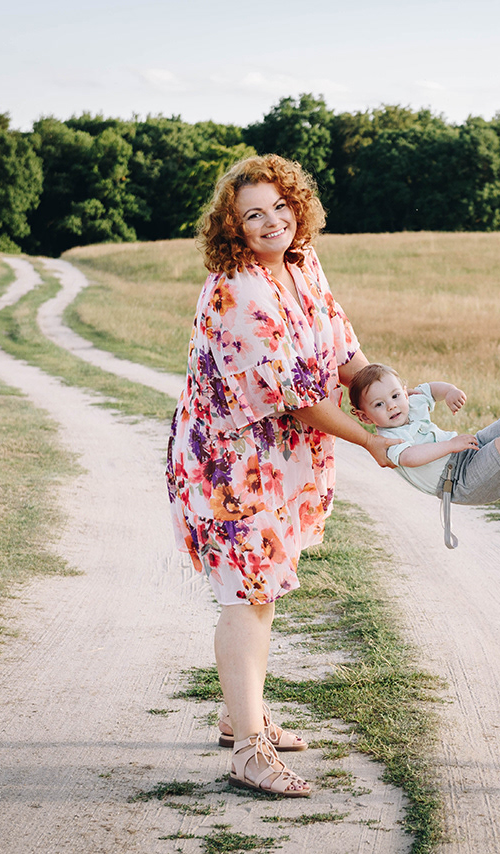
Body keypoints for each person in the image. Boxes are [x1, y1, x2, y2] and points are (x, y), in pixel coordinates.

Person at [166, 154, 397, 797]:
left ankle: (237, 714)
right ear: (233, 228)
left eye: (280, 206)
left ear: (298, 205)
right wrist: (372, 442)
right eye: (253, 215)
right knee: (250, 596)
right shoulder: (238, 289)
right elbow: (295, 395)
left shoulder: (302, 262)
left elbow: (344, 351)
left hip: (280, 460)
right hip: (230, 465)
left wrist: (391, 401)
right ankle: (248, 749)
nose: (272, 222)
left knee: (260, 591)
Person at [347, 363, 500, 508]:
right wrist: (450, 445)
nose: (391, 406)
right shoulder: (388, 441)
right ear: (365, 417)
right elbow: (410, 457)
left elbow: (431, 389)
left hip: (464, 453)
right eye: (379, 404)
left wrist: (449, 391)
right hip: (459, 481)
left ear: (405, 392)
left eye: (395, 396)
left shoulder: (411, 402)